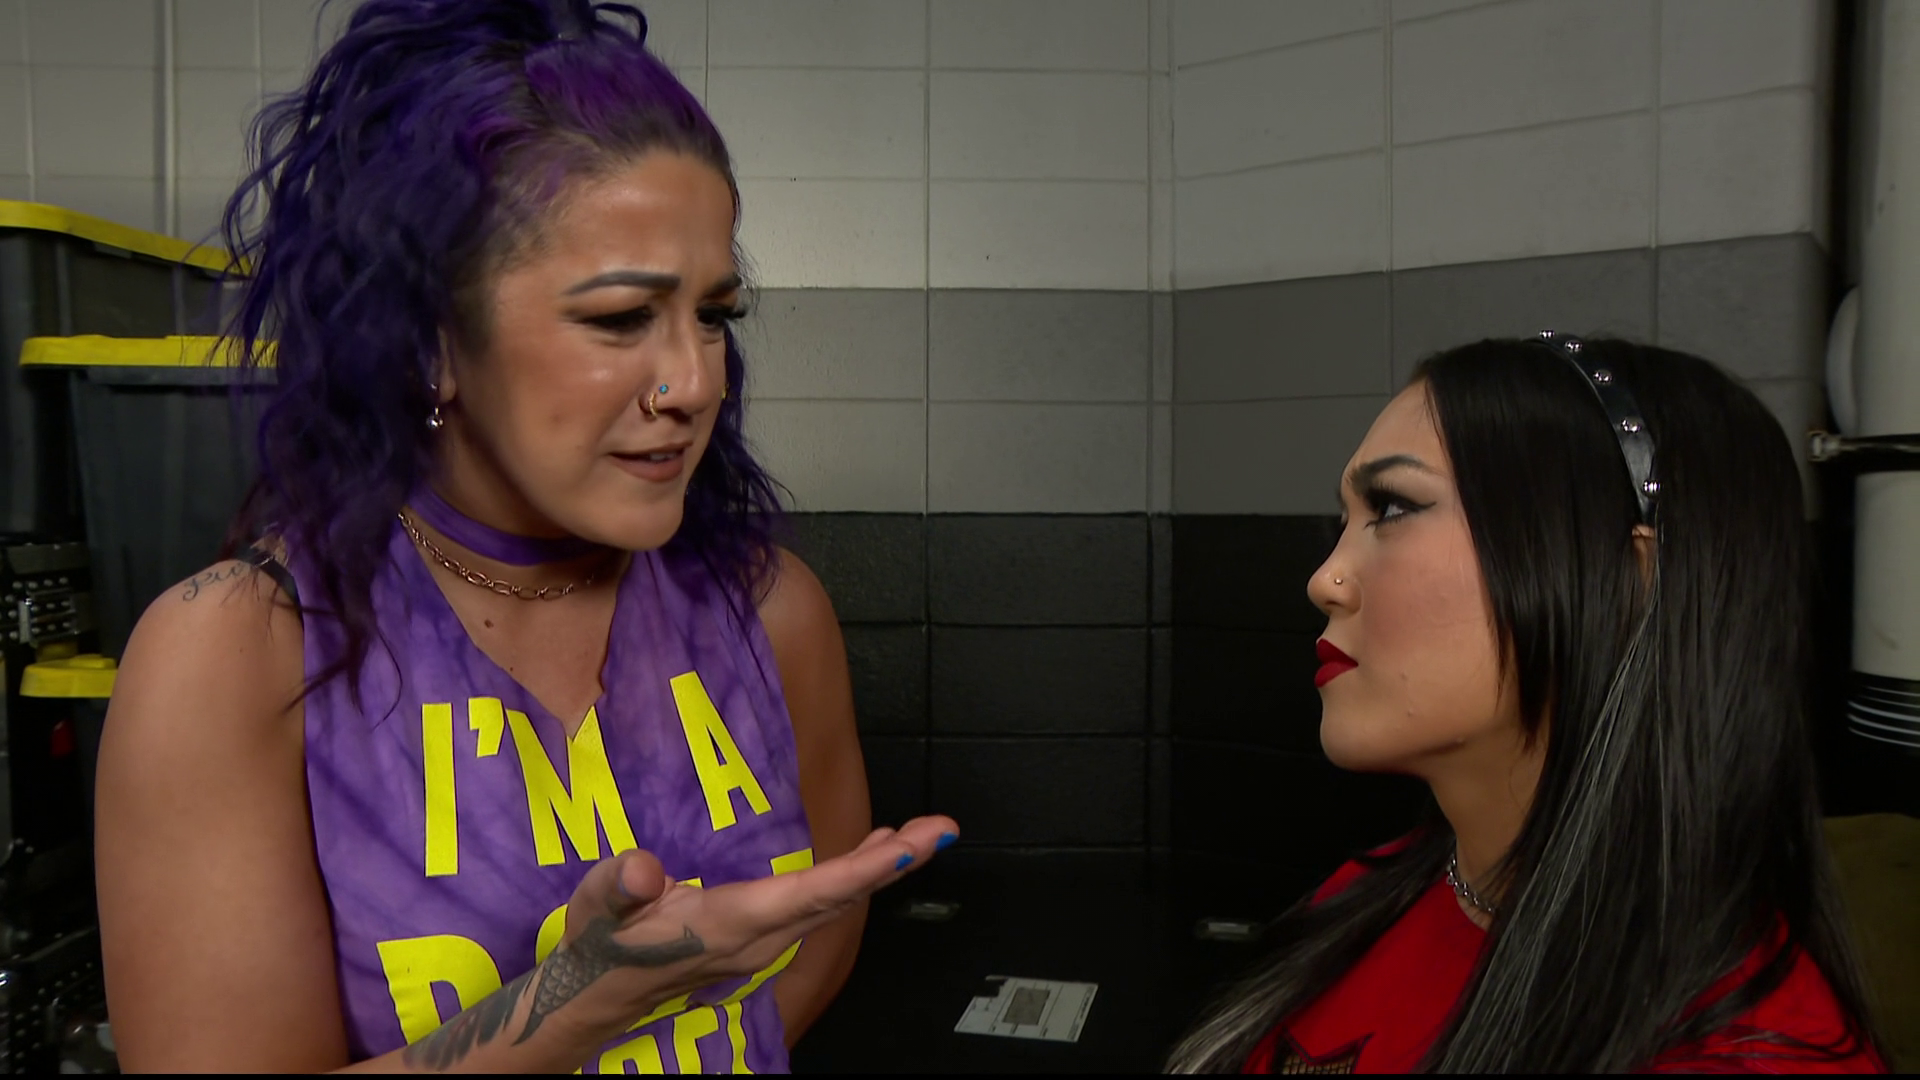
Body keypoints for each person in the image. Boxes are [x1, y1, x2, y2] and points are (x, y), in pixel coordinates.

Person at [91, 0, 957, 1072]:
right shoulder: (235, 658)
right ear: (431, 346)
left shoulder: (771, 612)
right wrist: (580, 1007)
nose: (694, 382)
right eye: (620, 318)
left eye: (713, 315)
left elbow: (813, 944)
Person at [1166, 334, 1886, 1073]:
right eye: (1346, 520)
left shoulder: (1739, 1055)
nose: (1326, 580)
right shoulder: (1369, 894)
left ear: (1629, 580)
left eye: (1394, 506)